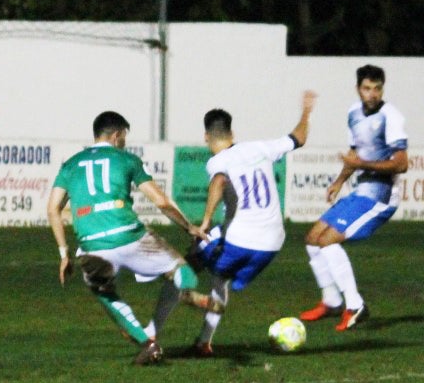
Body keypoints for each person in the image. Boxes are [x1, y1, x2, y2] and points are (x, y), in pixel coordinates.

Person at [47, 111, 221, 366]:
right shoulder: (126, 159)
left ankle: (148, 344)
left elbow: (53, 210)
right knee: (182, 271)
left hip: (93, 246)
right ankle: (185, 292)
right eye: (124, 136)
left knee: (104, 292)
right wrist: (188, 227)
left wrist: (63, 253)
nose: (125, 142)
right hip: (131, 236)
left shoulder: (70, 165)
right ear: (117, 135)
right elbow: (161, 201)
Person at [189, 92, 317, 356]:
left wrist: (204, 222)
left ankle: (176, 300)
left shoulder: (217, 162)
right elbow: (299, 138)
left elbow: (220, 181)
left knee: (190, 260)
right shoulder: (262, 148)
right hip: (272, 244)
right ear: (232, 133)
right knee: (220, 279)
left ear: (206, 137)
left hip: (240, 239)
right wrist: (306, 112)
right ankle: (204, 342)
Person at [299, 64, 408, 331]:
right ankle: (332, 300)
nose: (372, 94)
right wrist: (339, 181)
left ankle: (355, 305)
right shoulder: (353, 113)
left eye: (377, 88)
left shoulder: (391, 117)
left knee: (327, 241)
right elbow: (353, 155)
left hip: (381, 196)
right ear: (358, 89)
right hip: (360, 190)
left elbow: (402, 163)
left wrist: (361, 164)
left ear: (382, 88)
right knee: (313, 240)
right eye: (367, 88)